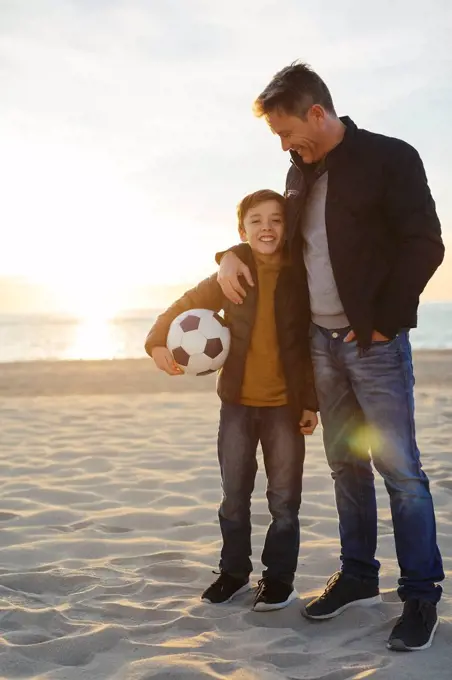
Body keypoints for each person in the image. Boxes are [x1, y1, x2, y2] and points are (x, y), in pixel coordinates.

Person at [216, 63, 445, 651]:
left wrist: (383, 322)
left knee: (401, 472)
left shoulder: (391, 157)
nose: (283, 144)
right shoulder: (298, 173)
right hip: (319, 343)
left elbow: (426, 242)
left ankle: (420, 594)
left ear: (316, 112)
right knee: (346, 465)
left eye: (286, 130)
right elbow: (277, 243)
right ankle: (360, 576)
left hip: (373, 344)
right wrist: (227, 254)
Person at [145, 189, 318, 612]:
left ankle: (278, 580)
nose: (267, 228)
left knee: (284, 501)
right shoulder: (233, 275)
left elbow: (308, 346)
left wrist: (310, 403)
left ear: (286, 226)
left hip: (285, 408)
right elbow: (180, 308)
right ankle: (233, 573)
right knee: (234, 495)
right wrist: (156, 344)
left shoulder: (302, 274)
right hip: (237, 406)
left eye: (276, 220)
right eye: (256, 221)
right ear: (242, 230)